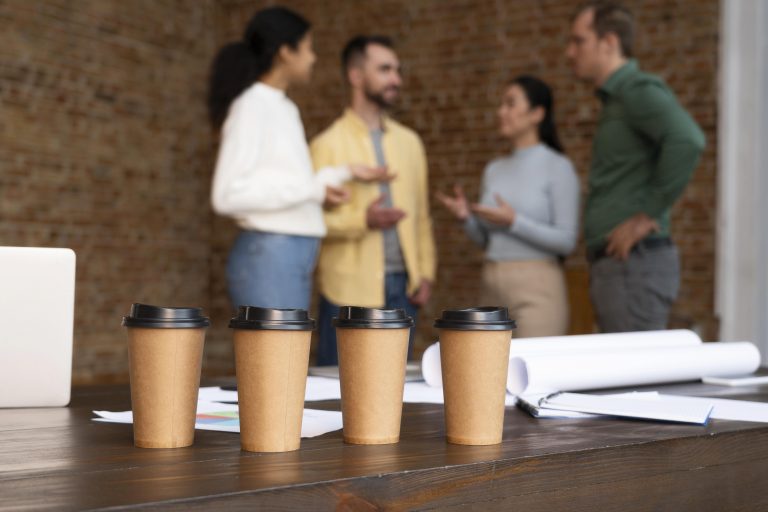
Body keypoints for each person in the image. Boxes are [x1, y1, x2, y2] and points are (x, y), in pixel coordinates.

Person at [208, 7, 387, 311]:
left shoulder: (285, 108)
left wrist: (342, 173)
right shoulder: (251, 107)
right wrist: (313, 191)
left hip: (291, 255)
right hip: (269, 256)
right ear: (285, 52)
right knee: (278, 359)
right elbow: (226, 196)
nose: (313, 57)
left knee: (287, 358)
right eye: (307, 48)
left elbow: (290, 183)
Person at [566, 1, 706, 332]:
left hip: (634, 266)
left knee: (631, 378)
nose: (570, 53)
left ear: (609, 42)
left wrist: (646, 216)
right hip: (621, 268)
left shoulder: (635, 91)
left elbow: (688, 140)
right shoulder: (617, 98)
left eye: (579, 41)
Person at [310, 35, 437, 365]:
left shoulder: (411, 143)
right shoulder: (326, 145)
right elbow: (312, 222)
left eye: (397, 70)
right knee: (337, 394)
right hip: (347, 290)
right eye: (384, 69)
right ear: (356, 76)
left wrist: (425, 272)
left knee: (394, 396)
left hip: (403, 290)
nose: (396, 79)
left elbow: (421, 215)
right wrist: (363, 221)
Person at [437, 76, 580, 338]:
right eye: (502, 104)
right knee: (490, 375)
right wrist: (466, 218)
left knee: (535, 374)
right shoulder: (494, 169)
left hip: (537, 288)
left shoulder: (558, 167)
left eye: (511, 104)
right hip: (491, 285)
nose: (501, 111)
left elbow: (567, 241)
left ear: (537, 114)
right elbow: (485, 240)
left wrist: (514, 221)